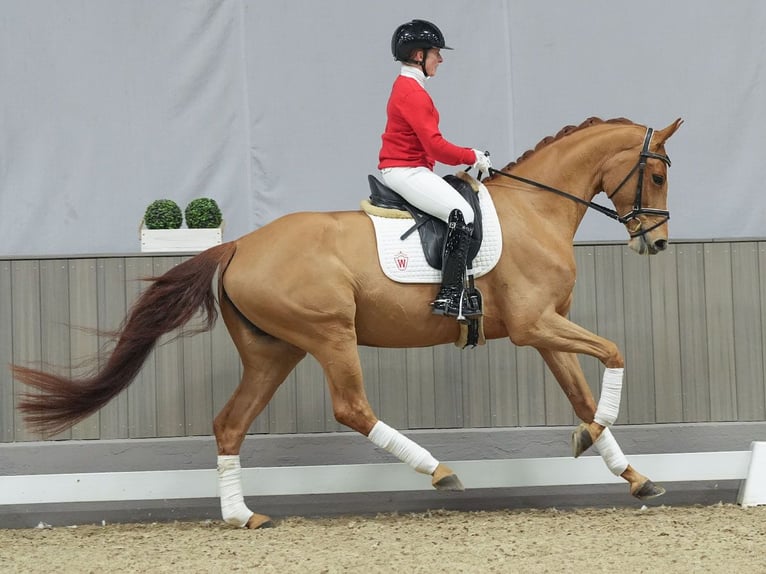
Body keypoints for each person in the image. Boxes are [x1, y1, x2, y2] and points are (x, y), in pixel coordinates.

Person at [378, 19, 491, 318]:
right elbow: (435, 146)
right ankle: (450, 295)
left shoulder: (409, 87)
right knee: (462, 214)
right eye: (436, 53)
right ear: (419, 55)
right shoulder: (413, 93)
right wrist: (473, 155)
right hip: (406, 170)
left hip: (411, 168)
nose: (440, 59)